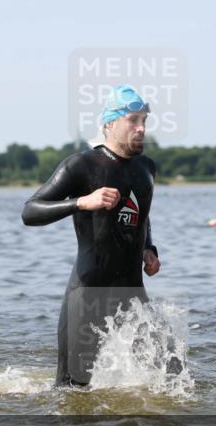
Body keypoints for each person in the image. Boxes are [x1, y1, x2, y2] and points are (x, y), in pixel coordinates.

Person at [21, 85, 161, 386]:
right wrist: (81, 202)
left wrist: (149, 248)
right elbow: (29, 211)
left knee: (163, 378)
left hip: (132, 294)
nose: (141, 128)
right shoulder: (81, 166)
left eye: (145, 121)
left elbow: (142, 216)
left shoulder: (147, 168)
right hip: (88, 296)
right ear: (110, 123)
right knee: (72, 390)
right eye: (133, 120)